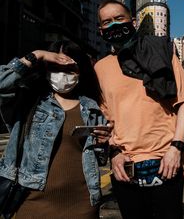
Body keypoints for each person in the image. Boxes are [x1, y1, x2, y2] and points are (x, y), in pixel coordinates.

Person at [95, 0, 184, 218]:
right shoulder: (100, 68)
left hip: (165, 159)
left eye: (119, 19)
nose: (114, 25)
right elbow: (105, 119)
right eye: (107, 22)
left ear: (132, 21)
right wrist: (114, 153)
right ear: (100, 30)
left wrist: (176, 148)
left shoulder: (162, 51)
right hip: (125, 165)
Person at [0, 40, 112, 218]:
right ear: (45, 69)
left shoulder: (91, 107)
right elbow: (2, 83)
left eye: (69, 69)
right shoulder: (28, 100)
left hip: (82, 203)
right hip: (30, 203)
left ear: (80, 71)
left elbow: (98, 159)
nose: (62, 75)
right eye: (55, 67)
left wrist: (103, 143)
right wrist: (37, 54)